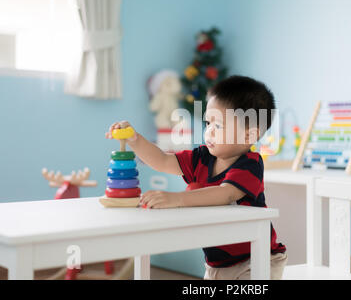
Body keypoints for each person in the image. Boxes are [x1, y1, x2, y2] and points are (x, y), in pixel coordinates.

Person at [105, 75, 287, 279]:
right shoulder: (202, 157)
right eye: (208, 122)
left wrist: (177, 199)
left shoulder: (250, 164)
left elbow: (225, 194)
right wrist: (134, 139)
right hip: (217, 264)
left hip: (256, 259)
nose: (208, 131)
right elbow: (163, 161)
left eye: (218, 126)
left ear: (248, 136)